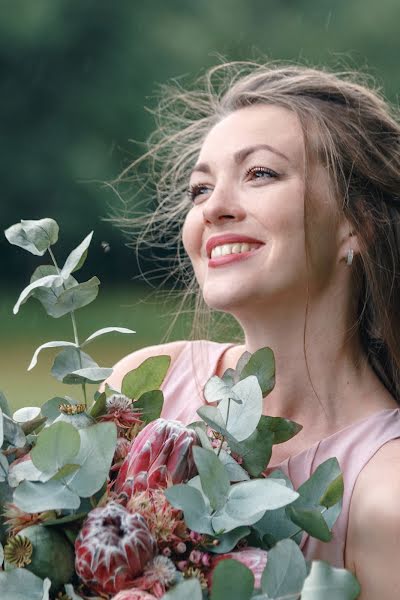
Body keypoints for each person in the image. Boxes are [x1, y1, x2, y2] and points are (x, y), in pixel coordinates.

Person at [105, 62, 400, 599]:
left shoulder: (386, 497)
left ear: (357, 223)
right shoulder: (144, 388)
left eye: (260, 173)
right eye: (200, 188)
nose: (213, 208)